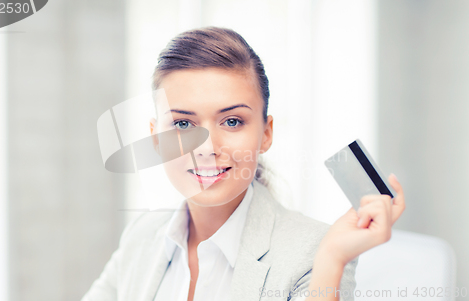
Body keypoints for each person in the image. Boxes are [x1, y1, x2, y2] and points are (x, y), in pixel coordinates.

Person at [81, 26, 405, 301]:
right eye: (182, 124)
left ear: (266, 134)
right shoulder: (142, 236)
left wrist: (332, 259)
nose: (206, 148)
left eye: (232, 121)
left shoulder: (316, 253)